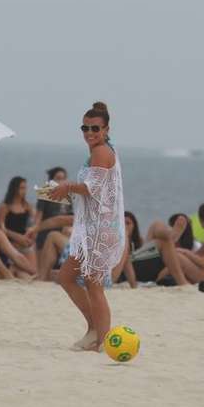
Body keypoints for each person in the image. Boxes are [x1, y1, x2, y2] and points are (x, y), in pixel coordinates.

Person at [49, 101, 125, 351]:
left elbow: (91, 188)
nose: (89, 133)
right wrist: (63, 192)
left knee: (94, 286)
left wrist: (67, 187)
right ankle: (94, 329)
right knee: (67, 277)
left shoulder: (102, 151)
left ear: (106, 129)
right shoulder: (97, 152)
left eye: (95, 128)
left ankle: (103, 340)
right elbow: (94, 193)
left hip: (100, 231)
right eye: (85, 128)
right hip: (92, 229)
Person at [0, 176, 37, 273]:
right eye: (21, 188)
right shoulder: (5, 206)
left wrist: (30, 236)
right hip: (10, 241)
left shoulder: (27, 206)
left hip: (24, 241)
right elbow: (1, 227)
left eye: (25, 188)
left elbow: (35, 224)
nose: (24, 191)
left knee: (33, 270)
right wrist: (17, 237)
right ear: (14, 189)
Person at [31, 166, 73, 250]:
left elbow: (71, 216)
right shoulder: (45, 194)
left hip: (64, 231)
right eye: (58, 178)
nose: (61, 181)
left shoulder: (68, 195)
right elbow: (38, 216)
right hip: (47, 230)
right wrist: (34, 232)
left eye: (63, 178)